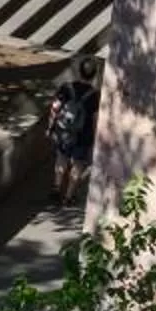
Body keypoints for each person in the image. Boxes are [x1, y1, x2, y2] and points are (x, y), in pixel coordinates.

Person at [48, 56, 100, 205]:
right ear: (94, 74)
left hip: (64, 131)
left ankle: (57, 188)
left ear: (79, 72)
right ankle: (69, 196)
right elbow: (95, 119)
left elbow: (55, 108)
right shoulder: (94, 96)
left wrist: (51, 127)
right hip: (83, 136)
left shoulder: (66, 88)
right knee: (78, 164)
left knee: (61, 158)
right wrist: (95, 139)